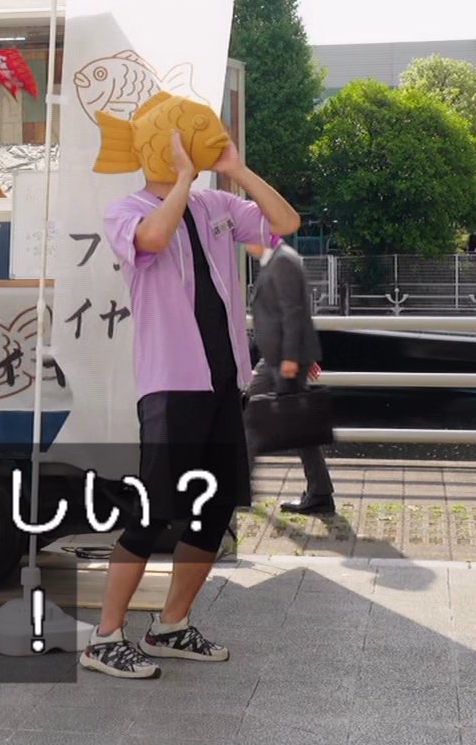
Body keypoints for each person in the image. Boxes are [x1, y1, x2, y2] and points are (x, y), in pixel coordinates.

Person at [89, 133, 301, 680]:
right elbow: (154, 238)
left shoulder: (217, 205)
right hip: (170, 385)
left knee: (215, 508)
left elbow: (286, 223)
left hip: (224, 383)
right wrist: (183, 178)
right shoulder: (127, 210)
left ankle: (170, 626)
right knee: (152, 512)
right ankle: (105, 637)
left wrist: (237, 169)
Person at [251, 235, 335, 515]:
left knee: (252, 415)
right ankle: (320, 492)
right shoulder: (276, 260)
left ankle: (240, 489)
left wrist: (292, 357)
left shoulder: (282, 260)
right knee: (299, 427)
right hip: (277, 357)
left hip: (281, 360)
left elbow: (293, 311)